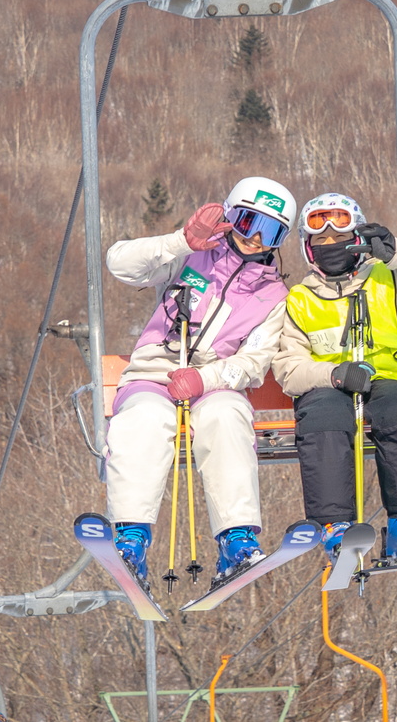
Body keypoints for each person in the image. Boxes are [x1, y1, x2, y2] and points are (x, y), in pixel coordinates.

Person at [104, 177, 297, 587]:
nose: (255, 239)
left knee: (228, 418)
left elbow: (254, 360)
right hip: (155, 373)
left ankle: (237, 540)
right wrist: (182, 241)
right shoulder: (192, 258)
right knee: (143, 419)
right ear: (229, 216)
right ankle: (131, 538)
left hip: (215, 385)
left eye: (270, 232)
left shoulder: (274, 295)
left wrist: (205, 378)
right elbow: (120, 263)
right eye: (248, 223)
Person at [271, 192, 397, 563]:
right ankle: (334, 525)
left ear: (357, 240)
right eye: (321, 241)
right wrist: (334, 374)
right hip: (328, 386)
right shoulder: (299, 300)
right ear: (308, 250)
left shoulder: (391, 281)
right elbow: (289, 369)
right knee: (324, 415)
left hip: (384, 381)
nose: (332, 247)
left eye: (341, 238)